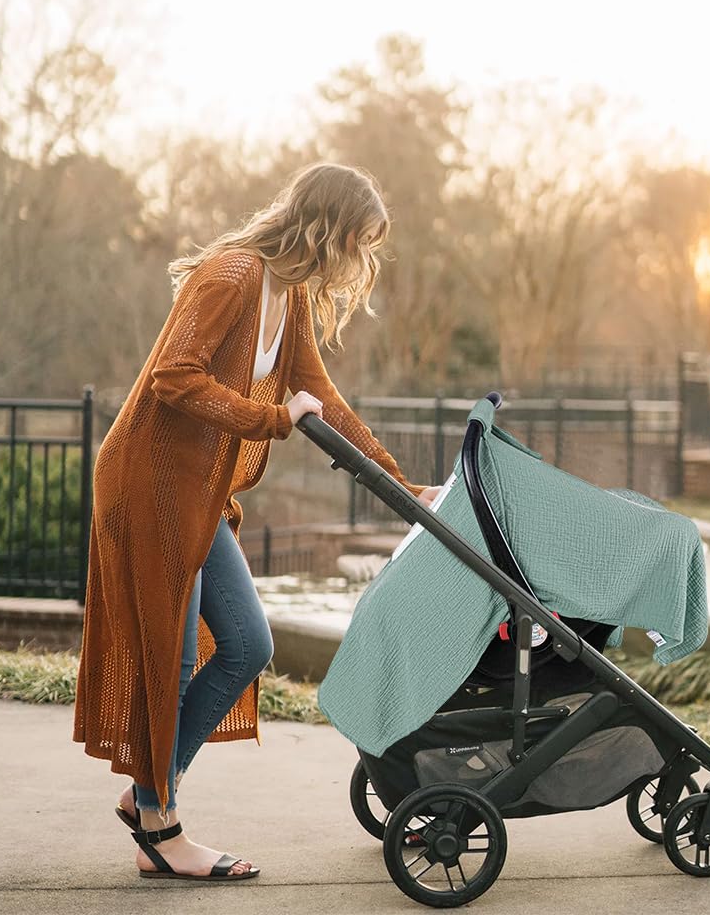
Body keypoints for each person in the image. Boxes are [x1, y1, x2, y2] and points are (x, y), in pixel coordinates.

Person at [73, 162, 439, 883]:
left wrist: (400, 484)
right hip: (147, 482)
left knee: (247, 644)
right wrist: (271, 419)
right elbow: (173, 378)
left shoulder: (288, 295)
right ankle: (162, 827)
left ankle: (148, 796)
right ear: (326, 228)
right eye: (358, 243)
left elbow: (320, 397)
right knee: (171, 660)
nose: (360, 262)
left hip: (197, 491)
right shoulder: (232, 274)